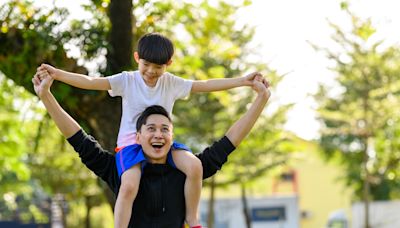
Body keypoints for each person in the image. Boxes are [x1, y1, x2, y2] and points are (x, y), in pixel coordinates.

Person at [37, 33, 262, 228]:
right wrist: (57, 75)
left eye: (158, 67)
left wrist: (243, 81)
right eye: (146, 65)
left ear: (169, 64)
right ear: (137, 58)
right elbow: (92, 82)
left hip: (166, 152)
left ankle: (192, 219)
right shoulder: (127, 80)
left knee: (195, 165)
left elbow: (204, 85)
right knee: (129, 185)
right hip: (129, 147)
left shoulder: (171, 84)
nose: (151, 72)